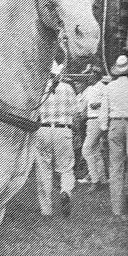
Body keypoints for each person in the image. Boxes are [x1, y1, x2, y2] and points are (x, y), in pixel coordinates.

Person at [35, 65, 79, 217]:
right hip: (63, 129)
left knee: (44, 169)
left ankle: (46, 210)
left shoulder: (41, 88)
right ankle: (65, 190)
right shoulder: (68, 88)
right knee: (66, 168)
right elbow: (75, 111)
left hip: (43, 129)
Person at [99, 54, 128, 220]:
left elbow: (104, 110)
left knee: (116, 167)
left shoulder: (109, 87)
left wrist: (104, 128)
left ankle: (118, 209)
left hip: (115, 124)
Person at [77, 68, 109, 190]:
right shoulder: (89, 89)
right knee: (95, 150)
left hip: (98, 119)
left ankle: (95, 180)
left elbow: (109, 102)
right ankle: (103, 179)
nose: (89, 77)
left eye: (91, 74)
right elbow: (82, 105)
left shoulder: (103, 87)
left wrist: (99, 104)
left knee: (86, 150)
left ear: (97, 76)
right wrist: (80, 114)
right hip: (90, 120)